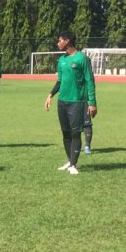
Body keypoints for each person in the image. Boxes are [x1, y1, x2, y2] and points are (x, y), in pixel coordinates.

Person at [44, 31, 97, 175]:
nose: (57, 43)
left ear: (67, 41)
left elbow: (90, 81)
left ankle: (73, 164)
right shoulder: (62, 60)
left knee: (75, 133)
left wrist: (92, 103)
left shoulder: (82, 59)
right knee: (66, 133)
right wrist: (50, 95)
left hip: (77, 102)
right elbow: (60, 81)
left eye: (59, 40)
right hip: (62, 102)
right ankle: (71, 161)